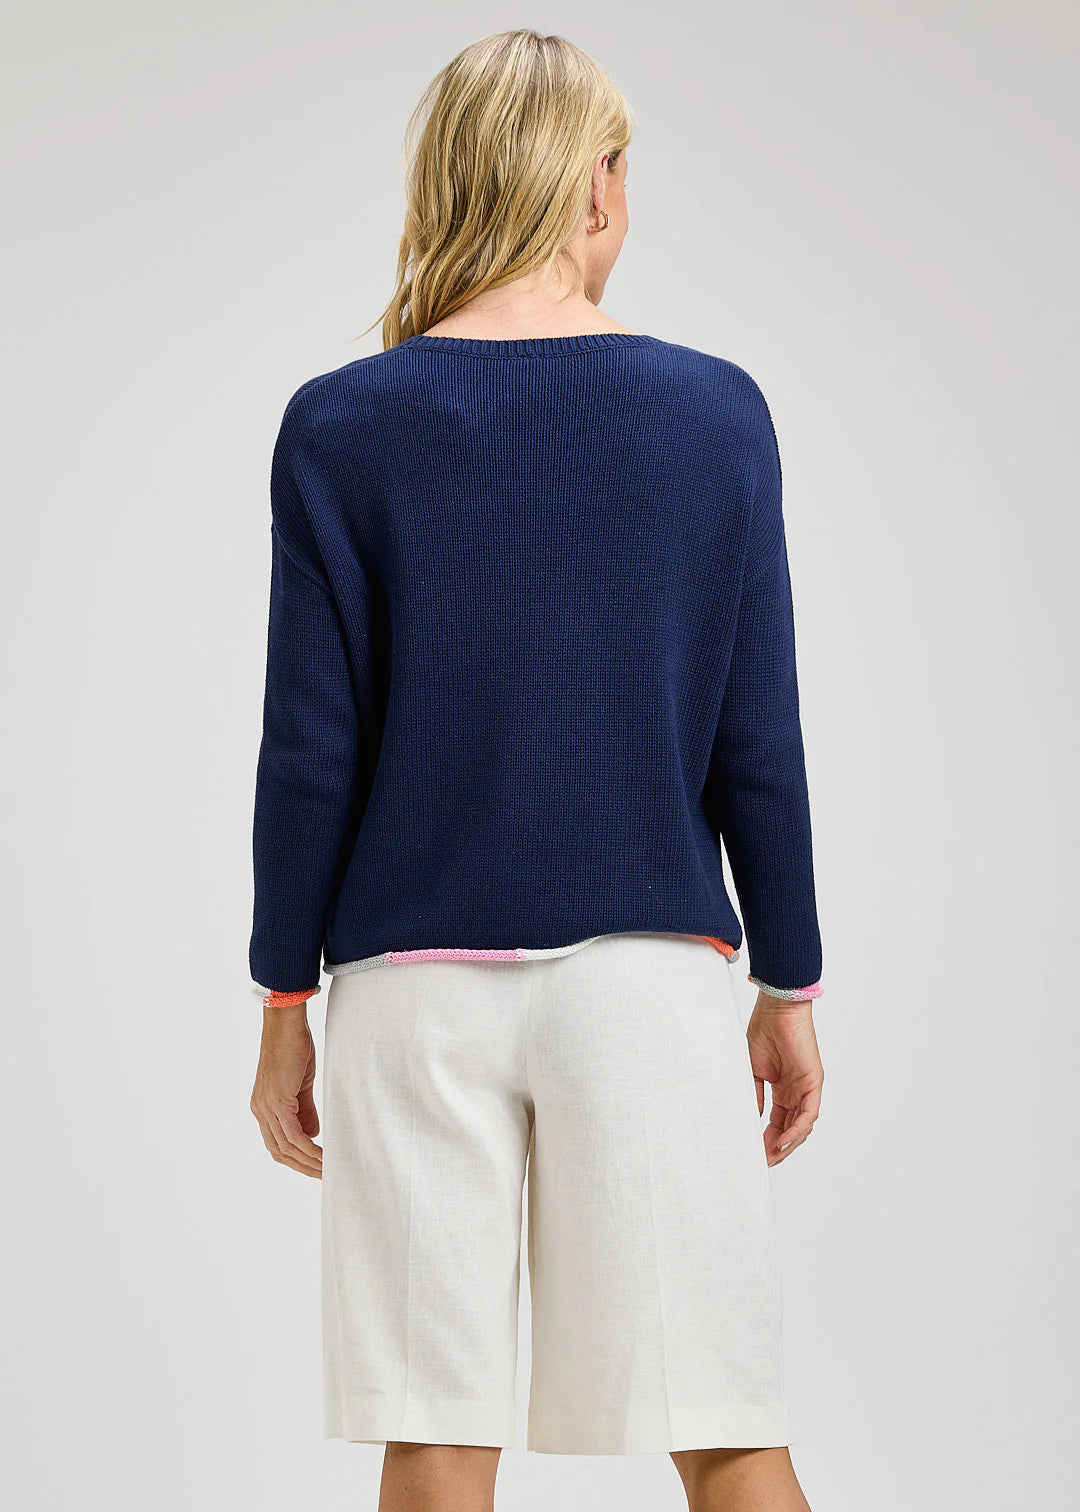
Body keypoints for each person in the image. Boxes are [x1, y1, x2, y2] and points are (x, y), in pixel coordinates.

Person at [248, 27, 824, 1512]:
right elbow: (758, 740)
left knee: (434, 1434)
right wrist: (790, 985)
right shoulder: (716, 413)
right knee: (724, 1426)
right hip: (645, 981)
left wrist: (283, 1003)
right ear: (597, 189)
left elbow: (309, 750)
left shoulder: (339, 424)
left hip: (409, 991)